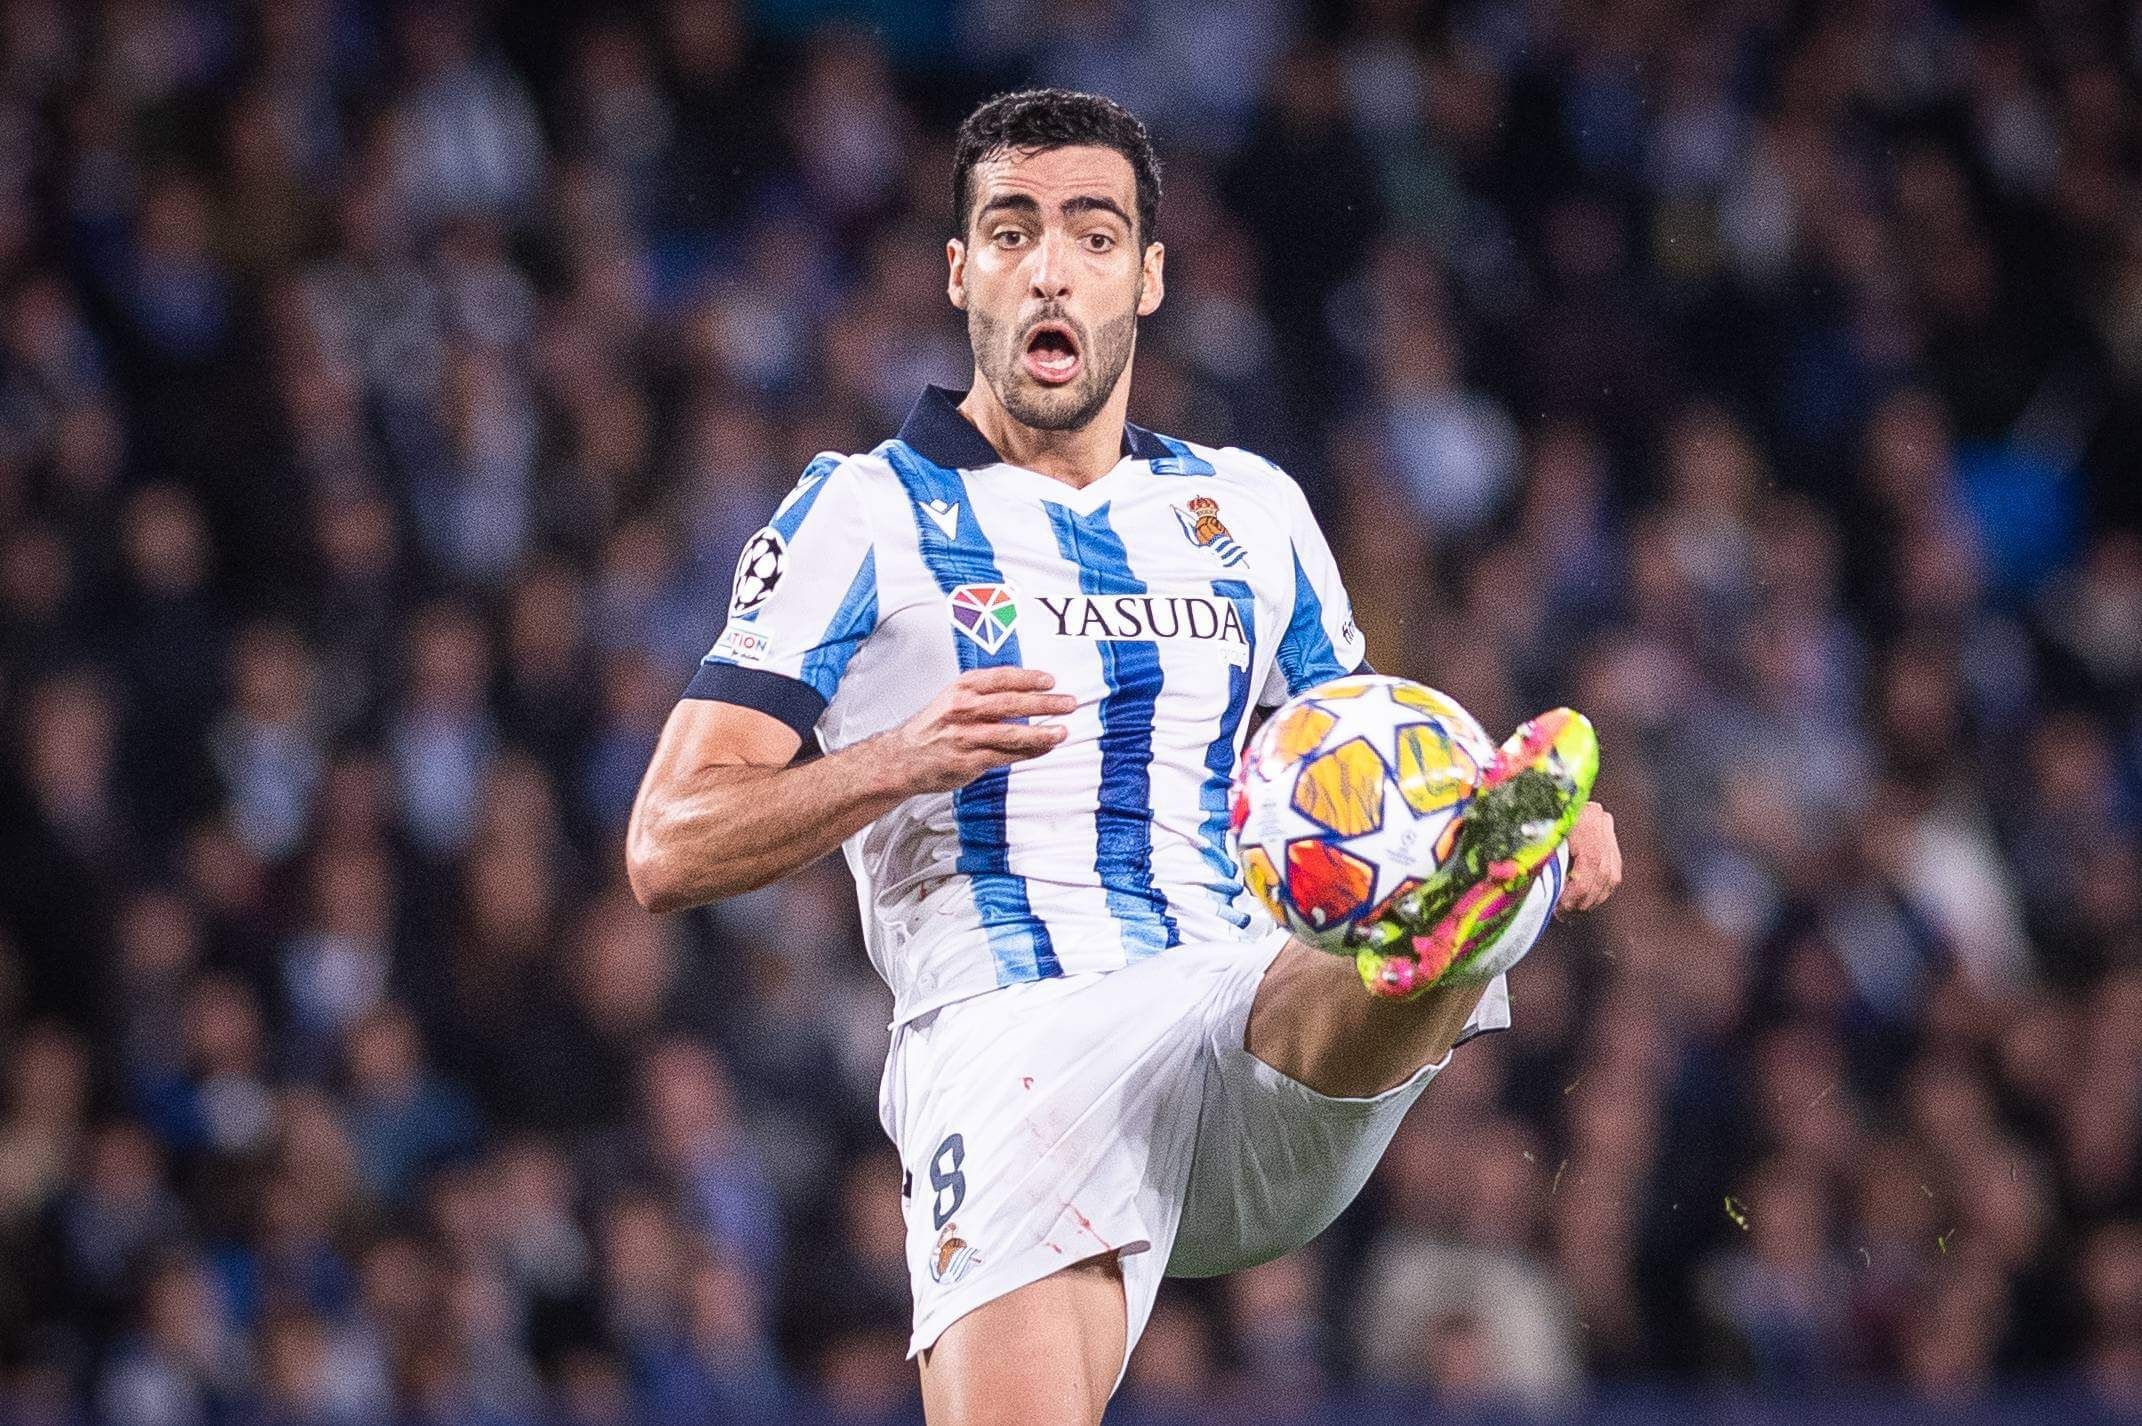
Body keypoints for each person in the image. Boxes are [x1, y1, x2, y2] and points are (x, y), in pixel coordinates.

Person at [626, 89, 1623, 1426]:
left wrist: (1517, 822)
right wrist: (894, 760)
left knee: (1396, 899)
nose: (1050, 264)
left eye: (1094, 236)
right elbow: (667, 841)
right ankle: (1464, 915)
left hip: (1235, 1004)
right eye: (1011, 230)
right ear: (959, 271)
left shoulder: (1248, 510)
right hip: (1013, 1038)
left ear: (1147, 278)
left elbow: (1356, 767)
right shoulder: (861, 513)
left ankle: (1467, 901)